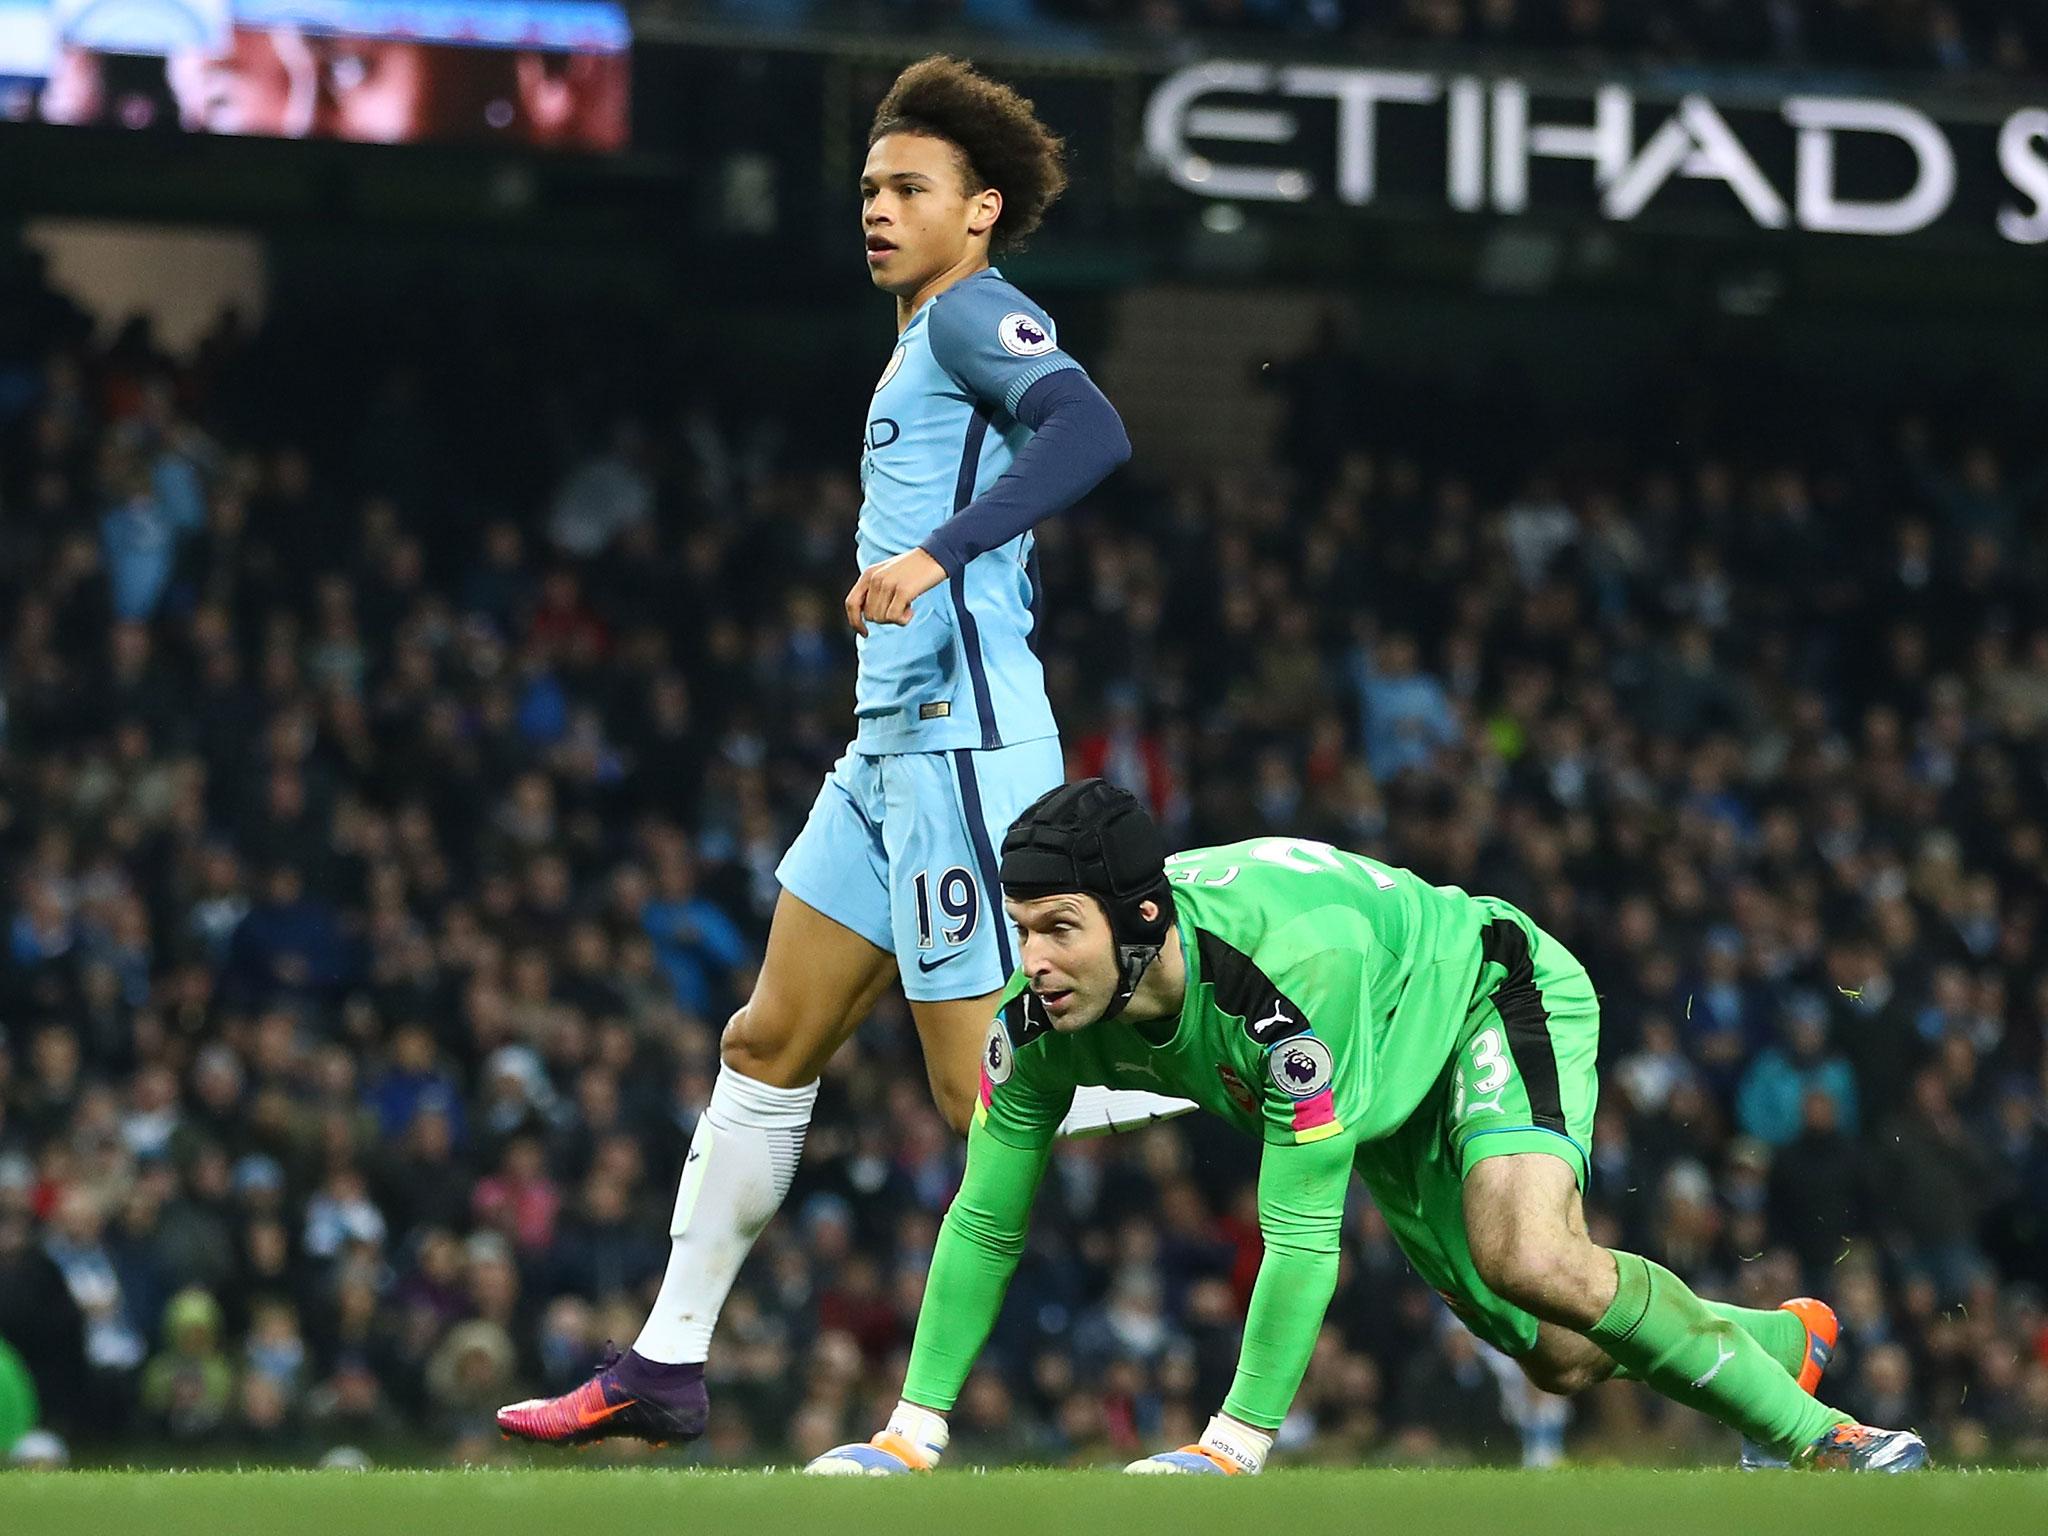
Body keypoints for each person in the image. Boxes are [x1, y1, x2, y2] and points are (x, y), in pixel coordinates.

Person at [498, 58, 1190, 1448]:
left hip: (960, 747)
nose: (877, 210)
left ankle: (1259, 1068)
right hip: (886, 753)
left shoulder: (976, 315)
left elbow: (1092, 427)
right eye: (870, 188)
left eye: (909, 190)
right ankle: (666, 1364)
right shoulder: (922, 329)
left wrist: (942, 552)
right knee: (767, 1039)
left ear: (980, 211)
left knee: (971, 1094)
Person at [806, 779, 1930, 1475]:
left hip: (1484, 988)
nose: (1033, 960)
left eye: (1059, 928)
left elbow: (1300, 1236)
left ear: (1142, 920)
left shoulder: (1283, 986)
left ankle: (1821, 1440)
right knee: (1563, 1357)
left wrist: (1231, 1446)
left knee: (1529, 1257)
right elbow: (986, 1220)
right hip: (1378, 1078)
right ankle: (1782, 1341)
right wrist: (911, 1433)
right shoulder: (1038, 1022)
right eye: (1022, 929)